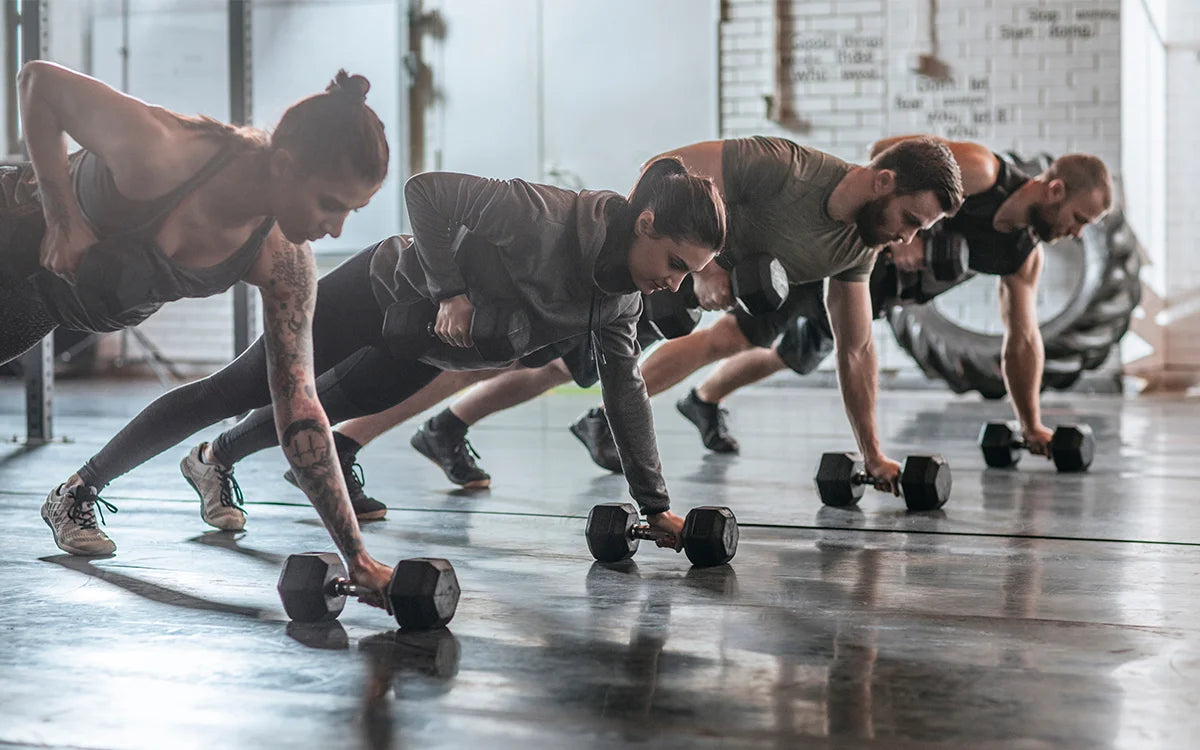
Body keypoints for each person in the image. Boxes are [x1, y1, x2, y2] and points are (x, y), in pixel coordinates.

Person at [47, 156, 727, 559]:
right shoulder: (543, 215)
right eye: (675, 262)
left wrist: (655, 506)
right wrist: (452, 291)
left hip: (426, 348)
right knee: (238, 386)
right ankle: (76, 491)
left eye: (688, 273)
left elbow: (625, 394)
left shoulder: (620, 303)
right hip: (378, 291)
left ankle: (213, 462)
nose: (676, 281)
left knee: (329, 406)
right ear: (645, 224)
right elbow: (426, 192)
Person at [300, 136, 966, 495]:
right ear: (885, 182)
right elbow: (663, 170)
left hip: (666, 298)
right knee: (495, 347)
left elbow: (856, 349)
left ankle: (442, 430)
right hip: (639, 268)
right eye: (912, 219)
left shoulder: (859, 245)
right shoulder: (786, 169)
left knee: (546, 364)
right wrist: (702, 268)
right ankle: (358, 436)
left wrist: (872, 452)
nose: (908, 239)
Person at [15, 62, 395, 604]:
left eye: (351, 212)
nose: (335, 228)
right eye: (330, 205)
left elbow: (299, 405)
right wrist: (62, 217)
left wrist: (356, 556)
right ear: (284, 166)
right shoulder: (164, 154)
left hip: (40, 307)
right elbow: (37, 82)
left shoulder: (282, 258)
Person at [670, 141, 1113, 460]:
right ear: (1055, 191)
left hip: (867, 290)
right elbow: (887, 151)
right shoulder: (983, 171)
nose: (1076, 232)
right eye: (1078, 219)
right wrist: (899, 240)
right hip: (842, 249)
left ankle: (703, 400)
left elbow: (1023, 339)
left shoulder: (1020, 257)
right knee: (735, 336)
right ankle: (619, 409)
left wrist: (1030, 422)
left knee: (795, 354)